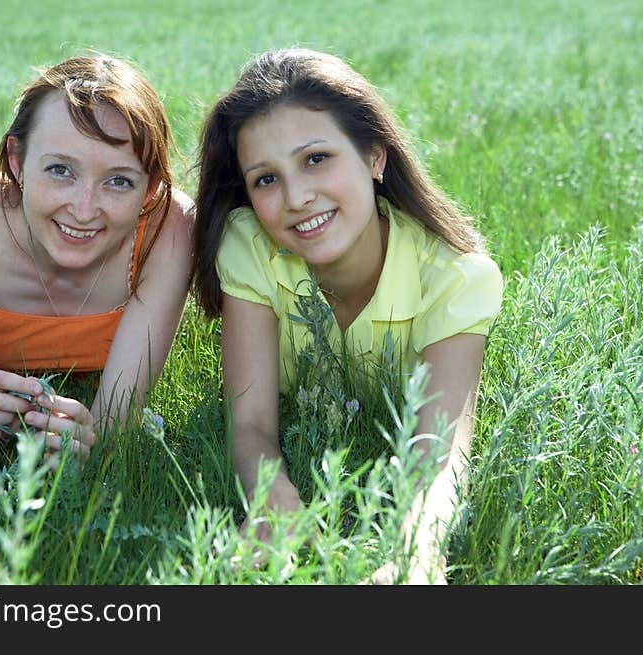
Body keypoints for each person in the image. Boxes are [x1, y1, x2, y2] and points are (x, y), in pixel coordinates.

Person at [193, 48, 503, 583]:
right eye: (266, 178)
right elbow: (251, 422)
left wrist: (416, 551)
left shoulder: (454, 277)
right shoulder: (252, 247)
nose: (296, 197)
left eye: (316, 158)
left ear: (374, 156)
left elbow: (441, 454)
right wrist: (273, 502)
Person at [0, 54, 194, 464]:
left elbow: (116, 422)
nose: (83, 210)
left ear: (149, 189)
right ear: (17, 160)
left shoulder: (170, 229)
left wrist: (91, 443)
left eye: (119, 181)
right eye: (61, 169)